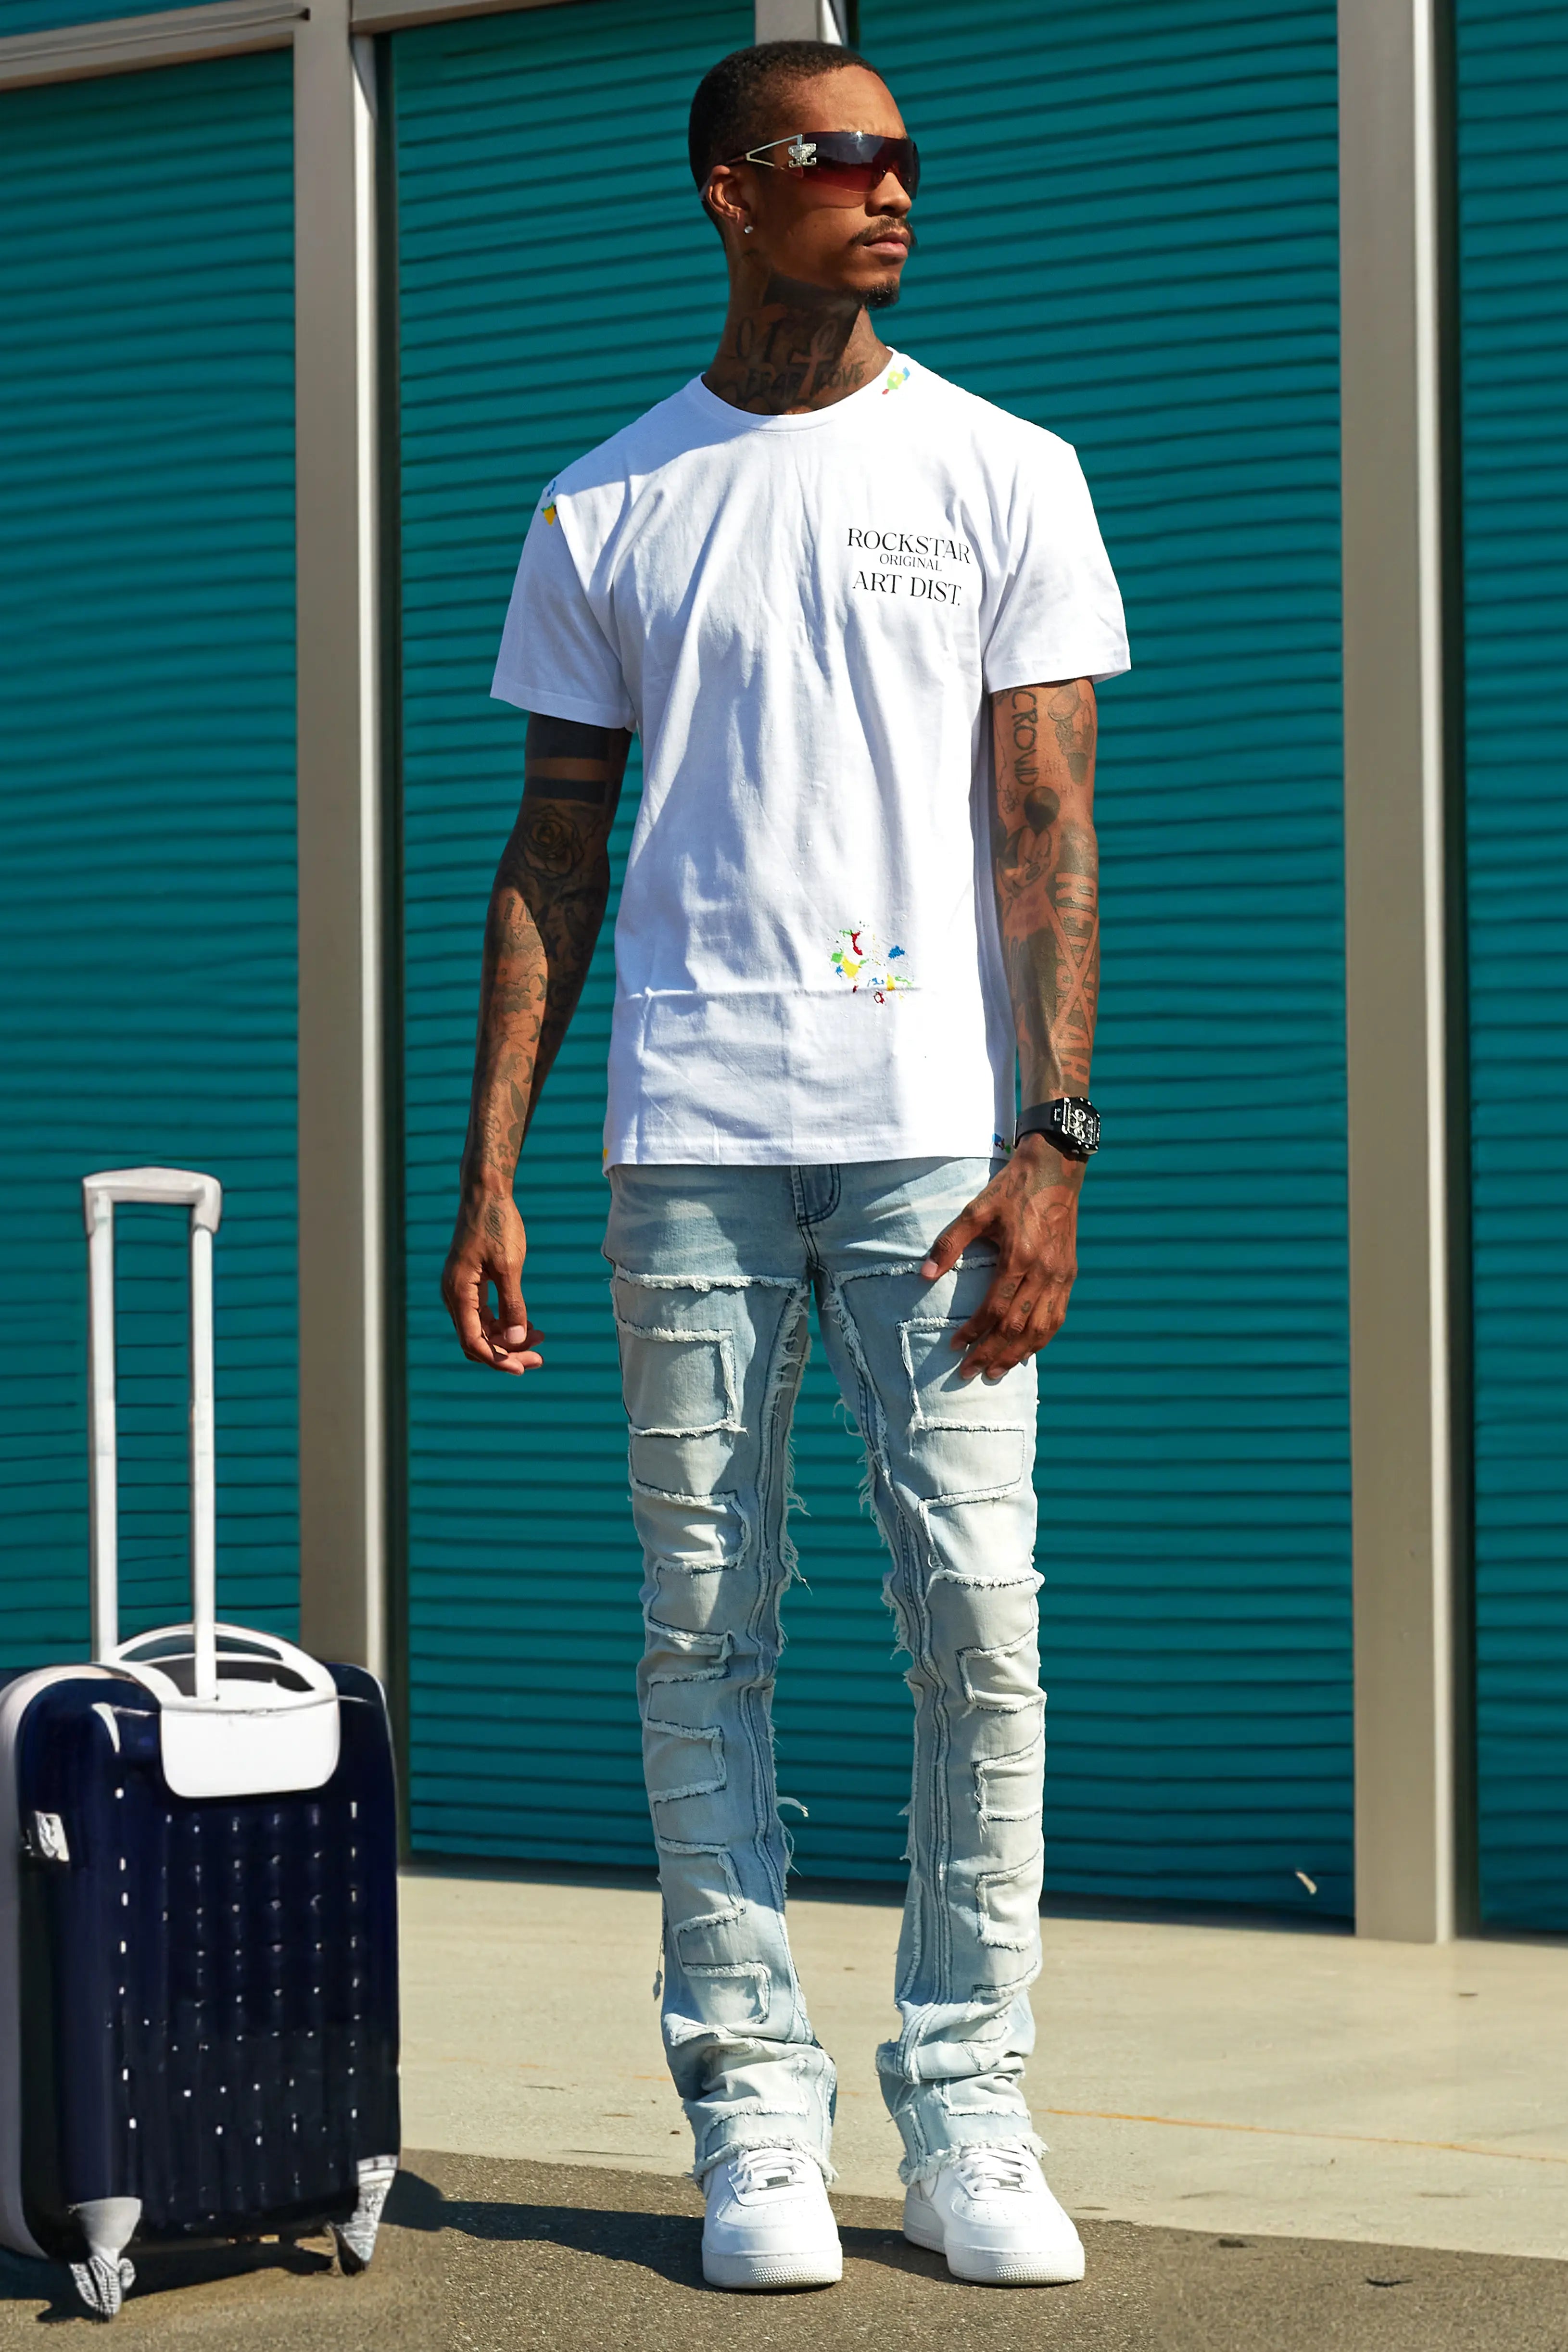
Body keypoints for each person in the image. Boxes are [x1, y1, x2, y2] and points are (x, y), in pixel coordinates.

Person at [442, 37, 1128, 2295]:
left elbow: (1044, 821)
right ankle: (748, 2109)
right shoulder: (607, 503)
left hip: (936, 1141)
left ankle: (970, 2104)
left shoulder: (1003, 469)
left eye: (904, 154)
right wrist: (490, 1163)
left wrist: (1051, 1135)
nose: (889, 187)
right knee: (698, 1630)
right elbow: (553, 846)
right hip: (684, 1143)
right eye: (840, 156)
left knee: (982, 1619)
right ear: (732, 192)